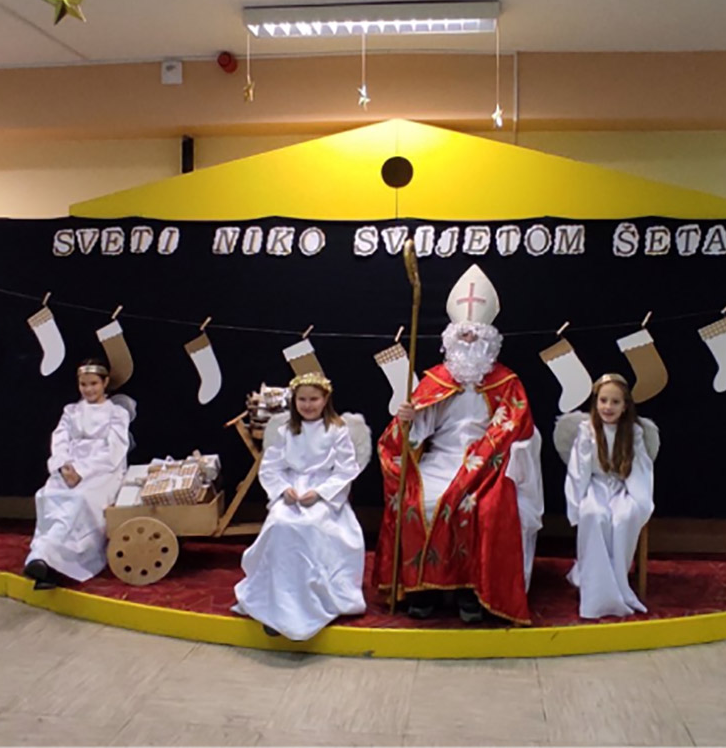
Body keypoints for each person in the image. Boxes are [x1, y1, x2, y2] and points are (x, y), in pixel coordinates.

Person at [374, 264, 544, 625]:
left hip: (489, 466)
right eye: (462, 336)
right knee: (415, 500)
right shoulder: (437, 379)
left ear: (489, 339)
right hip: (440, 459)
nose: (468, 341)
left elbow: (516, 428)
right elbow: (417, 433)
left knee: (482, 508)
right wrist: (409, 419)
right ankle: (423, 589)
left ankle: (472, 590)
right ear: (451, 339)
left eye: (475, 336)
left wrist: (481, 459)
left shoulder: (507, 382)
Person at [233, 372, 367, 641]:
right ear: (294, 401)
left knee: (310, 525)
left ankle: (312, 601)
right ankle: (278, 603)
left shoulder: (337, 430)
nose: (308, 405)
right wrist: (284, 489)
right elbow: (271, 468)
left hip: (323, 492)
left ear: (325, 399)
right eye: (302, 400)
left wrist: (320, 493)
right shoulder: (286, 431)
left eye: (313, 399)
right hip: (292, 490)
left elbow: (345, 470)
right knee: (281, 524)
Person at [24, 358, 131, 589]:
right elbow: (60, 440)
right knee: (49, 495)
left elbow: (114, 452)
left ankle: (59, 559)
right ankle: (43, 557)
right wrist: (64, 466)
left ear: (105, 383)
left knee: (80, 500)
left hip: (101, 470)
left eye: (94, 383)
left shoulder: (116, 413)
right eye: (84, 384)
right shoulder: (71, 411)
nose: (89, 389)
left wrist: (82, 472)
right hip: (70, 467)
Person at [565, 373, 654, 618]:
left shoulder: (633, 432)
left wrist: (639, 501)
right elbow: (579, 469)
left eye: (615, 402)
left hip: (622, 487)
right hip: (595, 486)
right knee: (594, 515)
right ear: (596, 403)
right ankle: (595, 585)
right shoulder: (587, 431)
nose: (608, 407)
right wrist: (577, 500)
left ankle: (618, 583)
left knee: (624, 517)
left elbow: (640, 469)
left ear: (625, 406)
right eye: (603, 401)